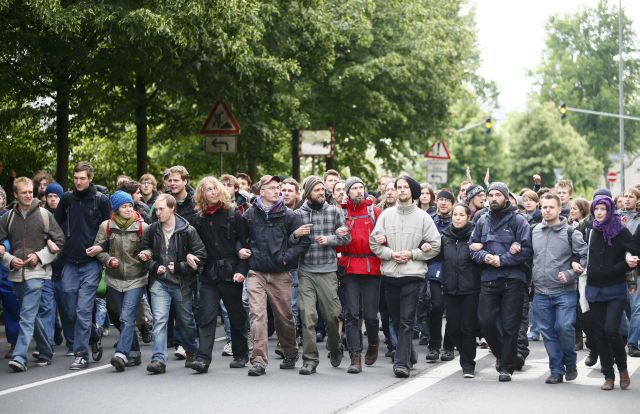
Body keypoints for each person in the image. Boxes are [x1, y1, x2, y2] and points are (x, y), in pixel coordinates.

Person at [370, 175, 441, 378]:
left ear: (413, 192)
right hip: (390, 274)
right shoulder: (385, 215)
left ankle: (401, 364)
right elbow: (374, 242)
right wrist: (390, 254)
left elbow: (435, 245)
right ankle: (409, 353)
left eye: (404, 187)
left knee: (407, 320)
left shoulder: (423, 217)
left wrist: (413, 254)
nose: (401, 190)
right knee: (395, 318)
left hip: (413, 274)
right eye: (398, 187)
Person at [242, 175, 310, 376]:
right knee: (257, 315)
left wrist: (285, 258)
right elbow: (240, 239)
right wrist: (243, 251)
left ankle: (290, 352)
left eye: (278, 187)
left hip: (280, 273)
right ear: (261, 191)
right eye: (272, 188)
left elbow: (305, 241)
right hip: (256, 272)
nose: (277, 191)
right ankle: (259, 360)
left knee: (284, 317)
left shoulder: (288, 215)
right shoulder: (249, 215)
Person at [469, 182, 532, 382]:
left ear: (506, 197)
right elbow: (472, 248)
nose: (493, 198)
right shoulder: (481, 220)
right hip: (488, 278)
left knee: (510, 326)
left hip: (513, 279)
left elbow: (527, 250)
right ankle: (504, 354)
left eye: (498, 195)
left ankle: (506, 367)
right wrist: (485, 257)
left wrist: (502, 259)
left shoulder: (519, 221)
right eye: (491, 195)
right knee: (485, 322)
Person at [1, 177, 65, 371]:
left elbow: (60, 241)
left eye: (30, 192)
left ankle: (20, 357)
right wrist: (10, 260)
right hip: (16, 274)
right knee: (29, 315)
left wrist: (40, 256)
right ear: (16, 195)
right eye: (24, 193)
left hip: (38, 273)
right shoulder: (8, 218)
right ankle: (46, 350)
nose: (28, 195)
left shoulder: (45, 215)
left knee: (27, 316)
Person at [139, 193, 206, 374]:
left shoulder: (187, 230)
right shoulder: (152, 230)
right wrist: (153, 265)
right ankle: (158, 359)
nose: (157, 213)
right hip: (160, 283)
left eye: (161, 209)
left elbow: (201, 256)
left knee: (186, 321)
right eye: (156, 209)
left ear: (172, 209)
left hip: (182, 283)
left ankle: (191, 350)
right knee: (159, 320)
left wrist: (180, 266)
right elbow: (144, 251)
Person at [188, 177, 251, 373]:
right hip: (208, 275)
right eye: (208, 189)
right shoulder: (197, 220)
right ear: (202, 194)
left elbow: (247, 246)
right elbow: (191, 246)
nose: (213, 192)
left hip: (232, 273)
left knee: (236, 315)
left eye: (215, 188)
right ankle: (203, 359)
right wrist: (189, 255)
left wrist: (242, 271)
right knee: (206, 317)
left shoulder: (233, 215)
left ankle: (241, 354)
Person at [54, 161, 111, 370]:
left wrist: (101, 247)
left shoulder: (101, 200)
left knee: (83, 310)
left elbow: (110, 231)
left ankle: (80, 354)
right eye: (75, 178)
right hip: (69, 261)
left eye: (82, 178)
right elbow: (54, 224)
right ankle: (94, 334)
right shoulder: (67, 198)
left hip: (91, 263)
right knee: (69, 308)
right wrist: (53, 241)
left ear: (90, 178)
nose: (78, 182)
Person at [293, 176, 351, 375]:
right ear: (308, 192)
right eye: (317, 190)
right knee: (307, 316)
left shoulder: (334, 212)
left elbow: (346, 237)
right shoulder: (297, 214)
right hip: (305, 271)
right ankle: (310, 360)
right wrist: (295, 235)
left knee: (332, 315)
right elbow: (287, 241)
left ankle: (335, 348)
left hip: (327, 270)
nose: (321, 193)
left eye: (322, 189)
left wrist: (330, 239)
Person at [583, 195, 639, 390]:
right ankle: (608, 375)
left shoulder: (620, 231)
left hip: (615, 288)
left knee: (611, 330)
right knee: (599, 333)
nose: (599, 212)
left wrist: (627, 261)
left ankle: (622, 369)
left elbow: (634, 250)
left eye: (603, 209)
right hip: (594, 288)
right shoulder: (591, 230)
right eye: (596, 209)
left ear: (610, 210)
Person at [88, 191, 148, 371]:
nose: (129, 209)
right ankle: (135, 353)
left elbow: (152, 247)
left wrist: (146, 254)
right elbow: (99, 249)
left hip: (136, 279)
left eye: (130, 205)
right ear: (116, 209)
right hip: (113, 280)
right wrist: (108, 260)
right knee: (122, 318)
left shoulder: (142, 227)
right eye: (124, 206)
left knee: (127, 316)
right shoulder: (106, 226)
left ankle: (121, 353)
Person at [531, 193, 588, 384]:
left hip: (565, 291)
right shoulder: (535, 230)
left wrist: (571, 274)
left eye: (550, 207)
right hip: (540, 292)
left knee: (564, 327)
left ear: (558, 209)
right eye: (544, 207)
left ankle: (570, 363)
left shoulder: (572, 232)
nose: (546, 210)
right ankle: (556, 370)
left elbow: (583, 257)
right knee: (548, 332)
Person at [337, 177, 382, 373]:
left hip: (372, 266)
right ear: (347, 192)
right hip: (349, 266)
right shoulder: (341, 212)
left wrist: (384, 239)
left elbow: (385, 237)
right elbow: (335, 244)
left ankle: (373, 343)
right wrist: (338, 236)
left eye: (360, 187)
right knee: (351, 314)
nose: (358, 191)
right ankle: (355, 357)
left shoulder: (375, 211)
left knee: (371, 316)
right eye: (354, 188)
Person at [441, 204, 480, 378]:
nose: (457, 218)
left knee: (468, 328)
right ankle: (464, 355)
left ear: (468, 217)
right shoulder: (445, 237)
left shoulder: (474, 236)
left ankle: (468, 364)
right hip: (450, 289)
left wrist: (480, 247)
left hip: (470, 289)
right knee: (453, 328)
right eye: (454, 215)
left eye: (461, 215)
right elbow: (436, 256)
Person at [423, 190, 455, 363]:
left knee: (451, 309)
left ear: (452, 203)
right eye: (441, 199)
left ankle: (449, 347)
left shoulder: (457, 219)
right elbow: (420, 238)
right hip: (434, 266)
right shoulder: (429, 220)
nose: (443, 203)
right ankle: (434, 346)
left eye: (446, 200)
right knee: (436, 306)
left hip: (454, 268)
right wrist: (424, 244)